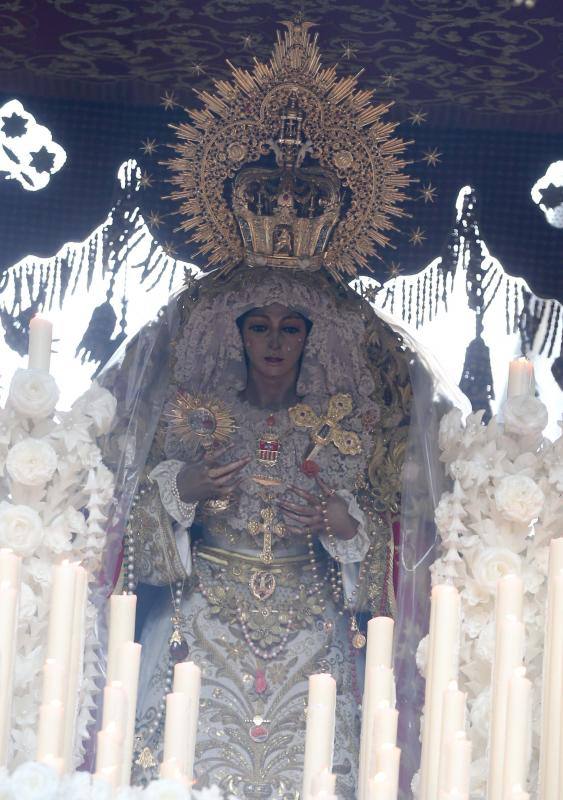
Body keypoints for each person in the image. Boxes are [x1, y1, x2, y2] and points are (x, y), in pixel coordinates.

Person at [96, 18, 433, 798]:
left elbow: (384, 537)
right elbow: (136, 520)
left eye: (289, 327)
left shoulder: (342, 430)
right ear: (235, 332)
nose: (273, 340)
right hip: (202, 617)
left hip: (309, 624)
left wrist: (347, 530)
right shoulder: (189, 416)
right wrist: (181, 493)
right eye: (259, 325)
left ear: (312, 338)